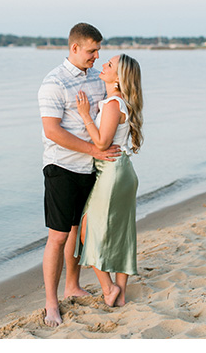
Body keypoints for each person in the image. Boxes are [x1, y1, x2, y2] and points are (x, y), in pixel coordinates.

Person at [37, 22, 120, 326]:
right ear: (74, 48)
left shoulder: (96, 79)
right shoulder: (53, 82)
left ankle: (72, 286)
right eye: (92, 50)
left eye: (98, 50)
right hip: (61, 167)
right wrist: (93, 150)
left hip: (89, 168)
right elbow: (52, 130)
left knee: (77, 231)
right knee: (58, 236)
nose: (97, 56)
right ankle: (50, 304)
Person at [74, 54, 145, 308]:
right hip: (122, 170)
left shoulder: (113, 103)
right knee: (122, 231)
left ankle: (108, 288)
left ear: (118, 78)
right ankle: (121, 293)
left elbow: (102, 143)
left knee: (87, 229)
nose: (103, 64)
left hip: (112, 172)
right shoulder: (118, 102)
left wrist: (84, 115)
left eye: (110, 65)